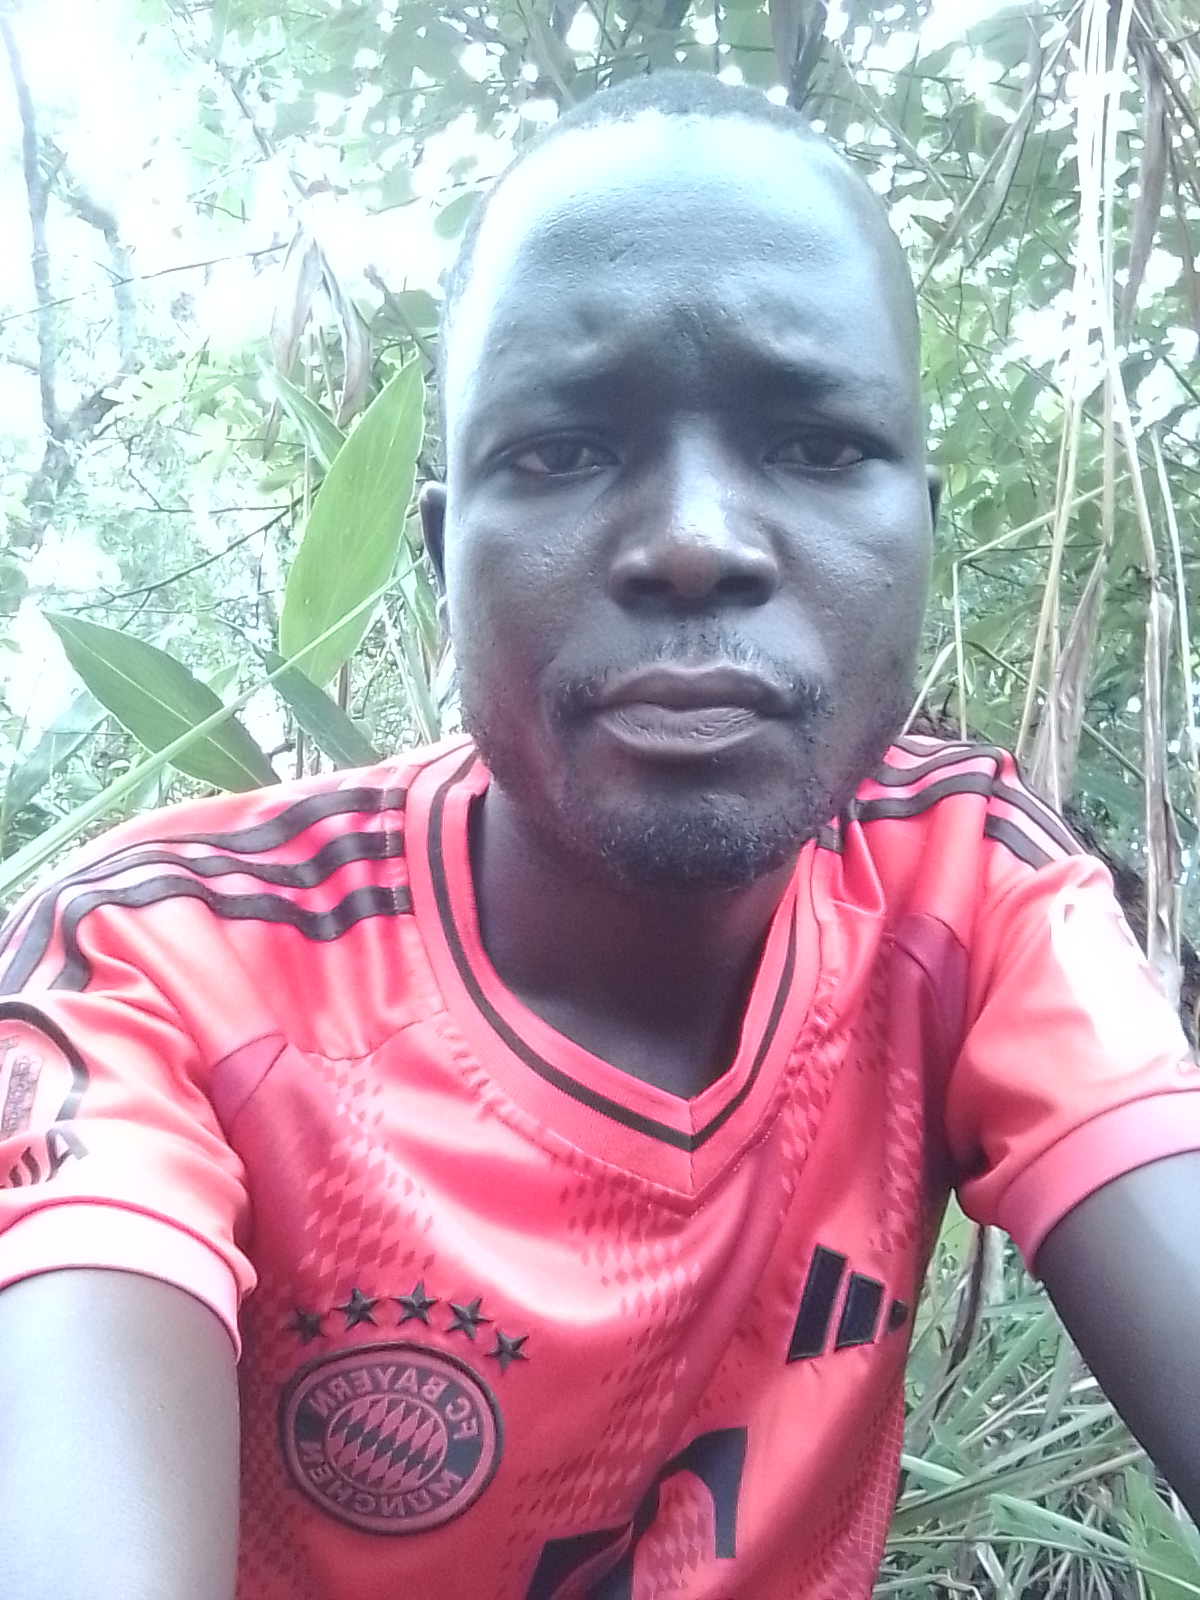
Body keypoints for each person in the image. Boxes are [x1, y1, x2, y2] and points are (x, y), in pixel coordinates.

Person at [1, 70, 1199, 1600]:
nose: (696, 542)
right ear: (445, 561)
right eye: (564, 451)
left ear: (918, 534)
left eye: (816, 446)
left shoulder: (966, 890)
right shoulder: (159, 970)